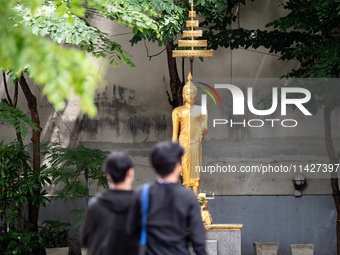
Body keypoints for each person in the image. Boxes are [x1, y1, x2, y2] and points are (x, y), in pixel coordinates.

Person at [127, 141, 207, 255]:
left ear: (154, 165)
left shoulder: (143, 193)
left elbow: (131, 230)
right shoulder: (188, 196)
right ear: (177, 166)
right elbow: (198, 240)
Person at [80, 151, 138, 255]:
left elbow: (85, 238)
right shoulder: (141, 204)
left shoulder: (96, 204)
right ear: (130, 173)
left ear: (108, 175)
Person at [172, 72, 208, 194]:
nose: (190, 96)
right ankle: (187, 196)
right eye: (187, 93)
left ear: (196, 95)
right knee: (186, 170)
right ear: (183, 95)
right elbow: (174, 133)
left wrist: (200, 134)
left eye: (192, 94)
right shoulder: (177, 111)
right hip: (183, 143)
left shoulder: (201, 110)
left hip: (195, 143)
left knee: (195, 171)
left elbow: (205, 128)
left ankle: (197, 196)